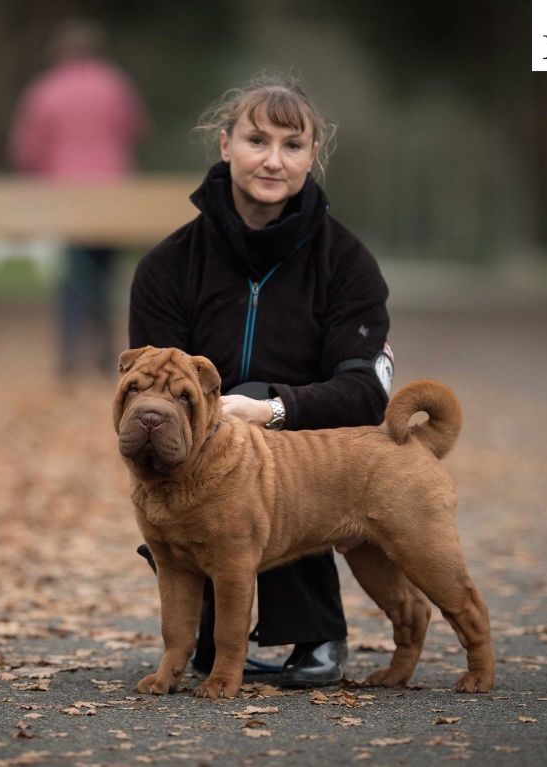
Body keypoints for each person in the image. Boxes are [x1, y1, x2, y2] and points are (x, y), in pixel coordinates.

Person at [128, 75, 395, 688]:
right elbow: (150, 387)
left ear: (312, 157)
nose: (273, 160)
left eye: (292, 145)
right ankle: (209, 635)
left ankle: (316, 631)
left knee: (263, 443)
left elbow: (367, 391)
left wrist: (273, 409)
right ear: (225, 145)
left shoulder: (348, 263)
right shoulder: (167, 265)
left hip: (310, 459)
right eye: (256, 139)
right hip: (198, 458)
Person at [9, 17, 148, 374]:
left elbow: (27, 148)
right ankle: (108, 354)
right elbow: (137, 129)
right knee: (105, 272)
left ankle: (70, 357)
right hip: (112, 192)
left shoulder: (45, 89)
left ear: (59, 53)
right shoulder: (115, 84)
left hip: (65, 194)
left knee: (73, 274)